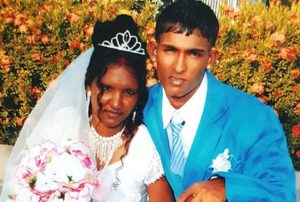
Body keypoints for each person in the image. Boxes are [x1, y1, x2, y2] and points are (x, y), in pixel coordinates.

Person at [0, 15, 174, 202]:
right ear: (88, 85)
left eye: (128, 92)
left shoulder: (143, 145)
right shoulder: (63, 123)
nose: (116, 103)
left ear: (139, 94)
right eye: (107, 88)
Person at [144, 0, 296, 201]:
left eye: (194, 54)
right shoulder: (139, 106)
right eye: (170, 50)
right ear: (154, 50)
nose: (179, 67)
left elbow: (282, 193)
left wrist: (227, 187)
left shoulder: (255, 118)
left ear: (211, 57)